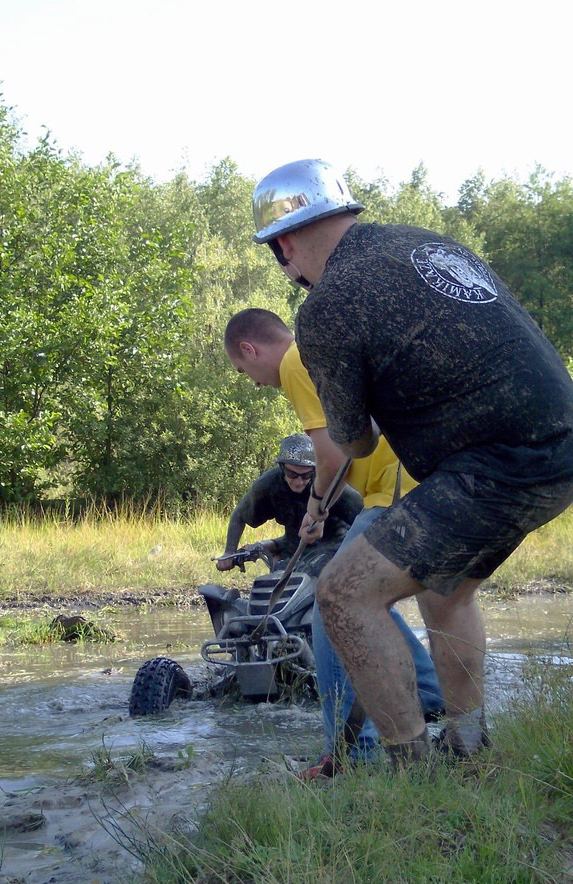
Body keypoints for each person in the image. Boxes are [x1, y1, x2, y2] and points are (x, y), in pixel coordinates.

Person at [249, 158, 573, 766]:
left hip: (495, 462)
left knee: (342, 596)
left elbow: (355, 445)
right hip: (559, 443)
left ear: (283, 247)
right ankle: (468, 747)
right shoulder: (427, 245)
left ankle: (411, 770)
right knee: (446, 592)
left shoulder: (327, 303)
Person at [223, 310, 444, 775]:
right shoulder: (317, 355)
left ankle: (351, 754)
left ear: (250, 349)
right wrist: (318, 509)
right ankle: (429, 697)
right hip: (413, 482)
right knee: (368, 602)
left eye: (244, 371)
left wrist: (314, 507)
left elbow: (325, 456)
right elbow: (346, 449)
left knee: (331, 602)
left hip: (395, 491)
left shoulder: (296, 362)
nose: (254, 382)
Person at [216, 433, 362, 577]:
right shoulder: (268, 485)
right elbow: (240, 515)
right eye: (292, 474)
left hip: (334, 547)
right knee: (277, 581)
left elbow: (365, 517)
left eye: (306, 475)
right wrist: (229, 552)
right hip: (293, 549)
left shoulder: (331, 485)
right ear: (282, 467)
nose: (299, 482)